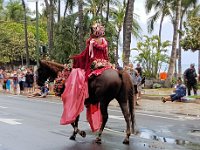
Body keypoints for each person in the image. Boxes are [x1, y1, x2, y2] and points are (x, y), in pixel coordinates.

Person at [60, 22, 111, 132]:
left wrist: (75, 58)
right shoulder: (104, 42)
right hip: (105, 63)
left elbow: (88, 56)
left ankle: (85, 96)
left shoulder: (92, 42)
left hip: (95, 63)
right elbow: (106, 55)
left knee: (81, 77)